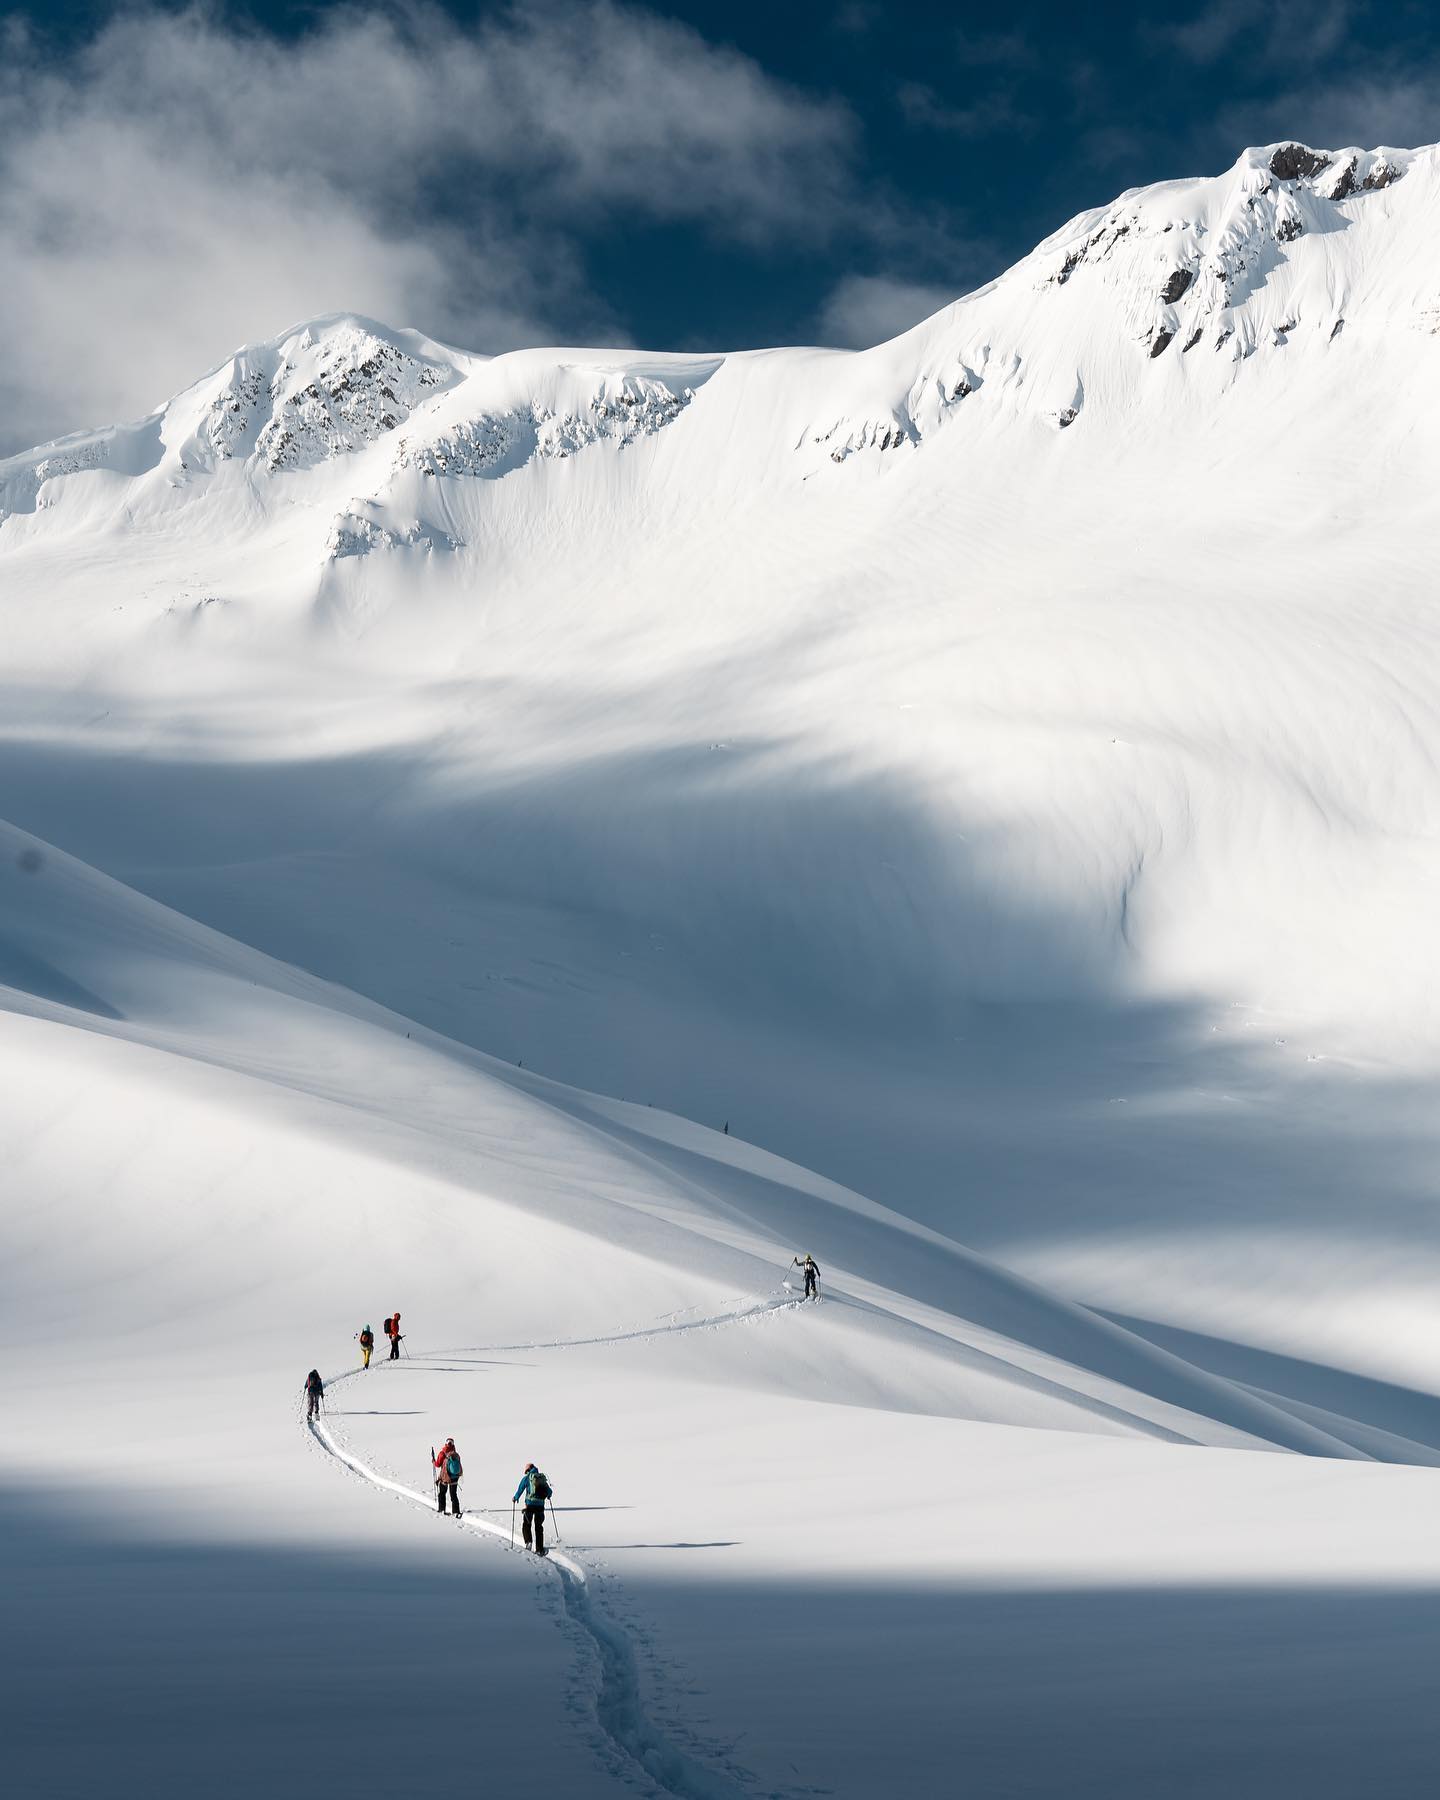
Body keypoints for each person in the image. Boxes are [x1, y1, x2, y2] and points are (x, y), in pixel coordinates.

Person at [513, 1462, 553, 1554]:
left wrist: (515, 1498)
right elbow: (549, 1491)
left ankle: (528, 1542)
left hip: (530, 1505)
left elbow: (520, 1489)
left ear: (527, 1470)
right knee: (539, 1527)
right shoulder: (541, 1478)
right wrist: (548, 1496)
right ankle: (539, 1549)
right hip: (540, 1506)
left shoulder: (527, 1478)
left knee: (526, 1524)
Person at [433, 1438, 463, 1516]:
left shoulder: (442, 1453)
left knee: (442, 1493)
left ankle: (442, 1509)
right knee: (453, 1494)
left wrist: (433, 1461)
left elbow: (438, 1464)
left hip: (445, 1477)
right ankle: (456, 1511)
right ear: (453, 1444)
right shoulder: (456, 1454)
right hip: (455, 1477)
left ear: (446, 1444)